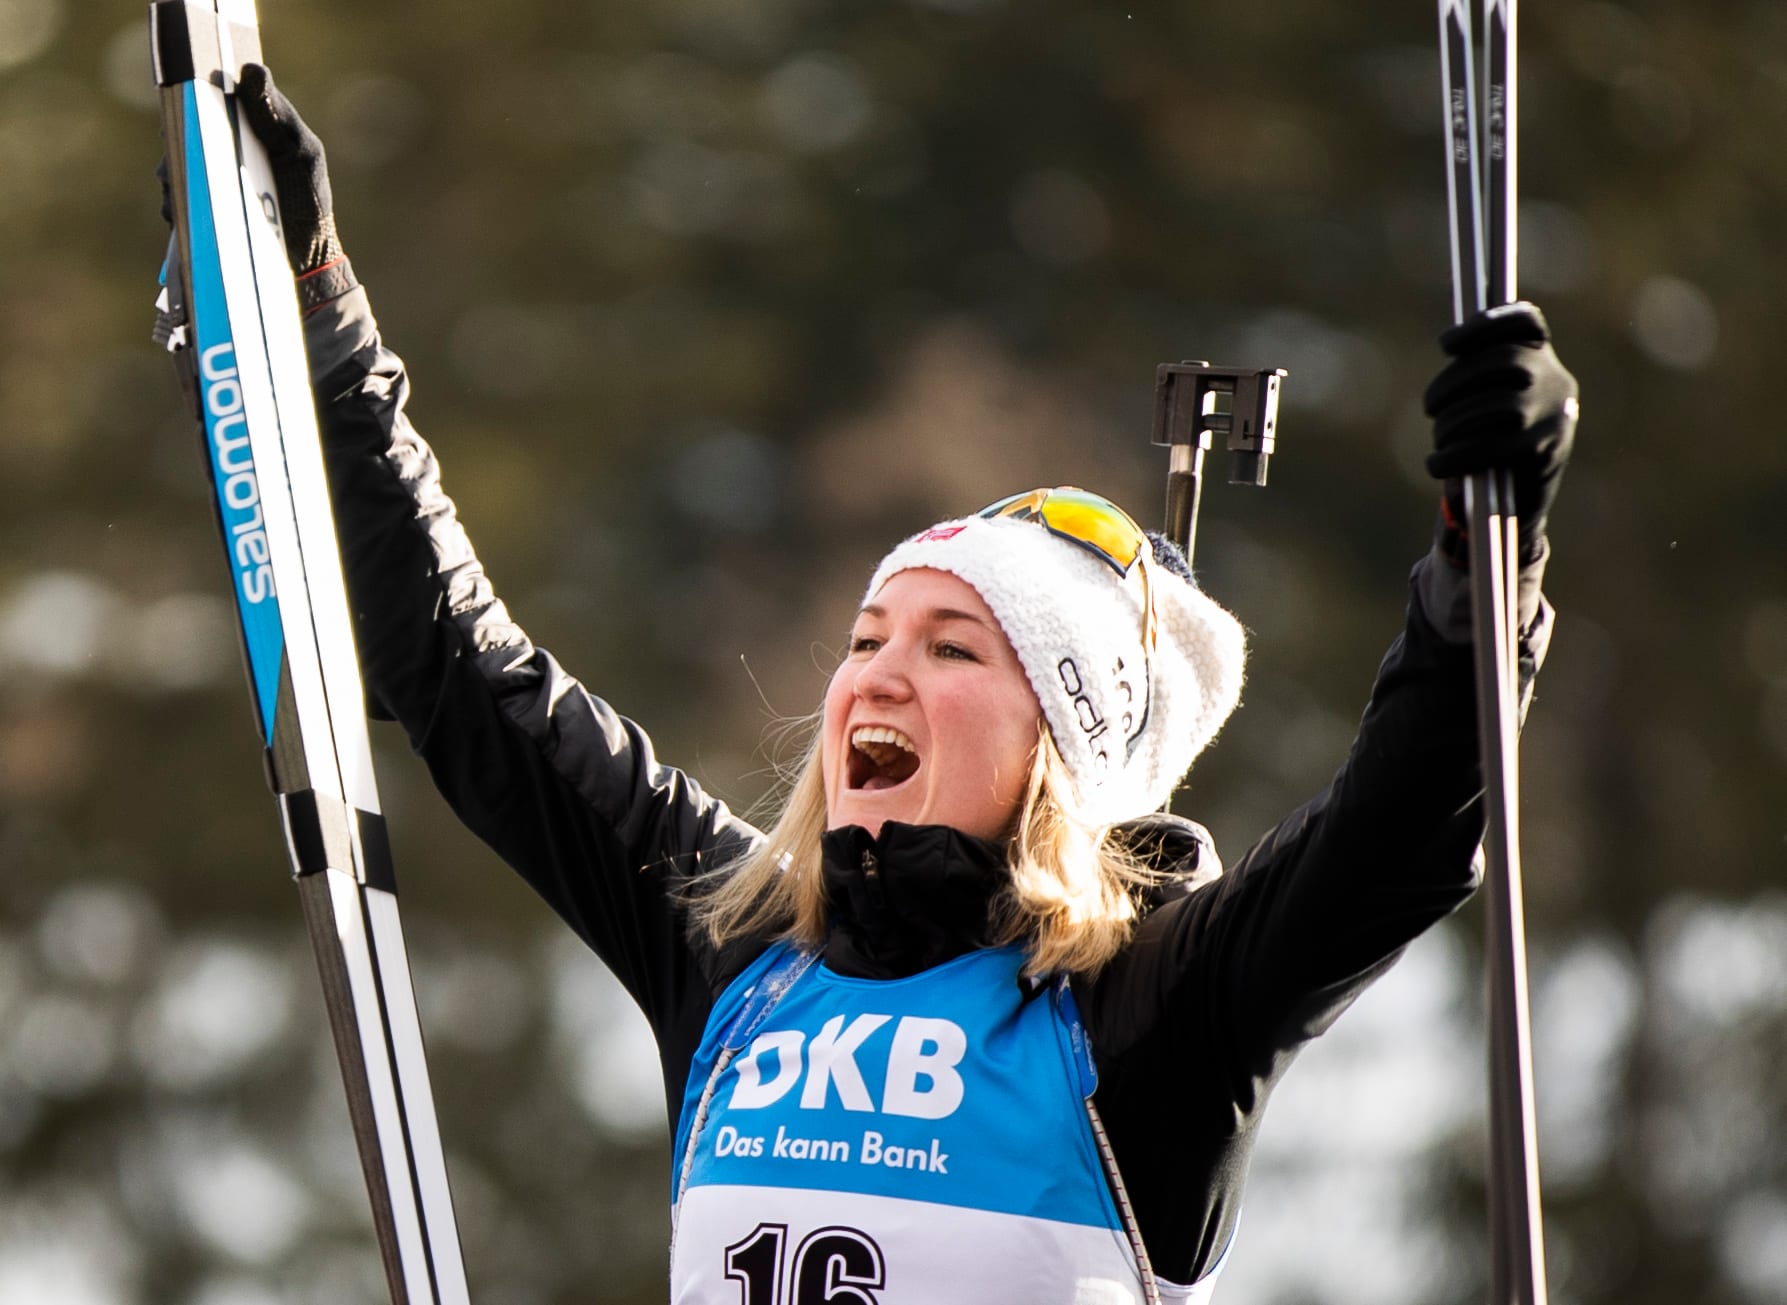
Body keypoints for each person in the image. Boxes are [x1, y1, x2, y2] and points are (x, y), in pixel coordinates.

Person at [217, 64, 1577, 1304]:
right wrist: (321, 316)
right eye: (869, 638)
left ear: (1060, 749)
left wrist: (1484, 559)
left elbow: (1398, 831)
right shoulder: (742, 953)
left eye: (953, 647)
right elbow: (465, 677)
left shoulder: (1148, 1008)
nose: (878, 676)